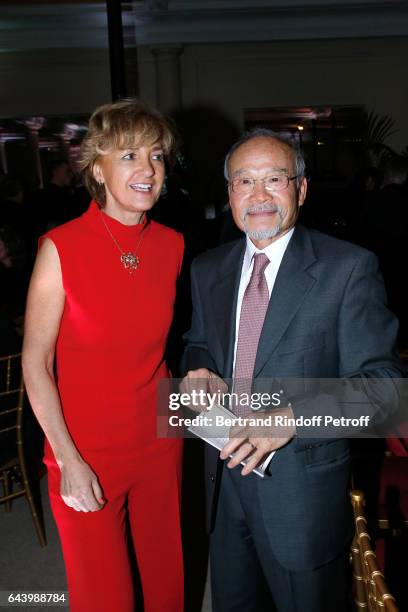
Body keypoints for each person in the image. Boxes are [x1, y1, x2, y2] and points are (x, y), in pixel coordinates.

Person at [182, 128, 403, 612]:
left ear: (301, 189)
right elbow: (197, 343)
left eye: (274, 179)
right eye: (244, 182)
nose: (258, 195)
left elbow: (387, 392)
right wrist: (198, 370)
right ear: (229, 195)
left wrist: (289, 418)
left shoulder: (348, 269)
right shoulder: (207, 268)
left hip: (301, 495)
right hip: (222, 485)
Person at [22, 98, 184, 612]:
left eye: (156, 157)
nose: (148, 169)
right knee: (103, 597)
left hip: (159, 438)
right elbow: (35, 363)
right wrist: (68, 459)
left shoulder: (173, 245)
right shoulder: (61, 248)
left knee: (166, 585)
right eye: (130, 155)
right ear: (97, 168)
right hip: (85, 448)